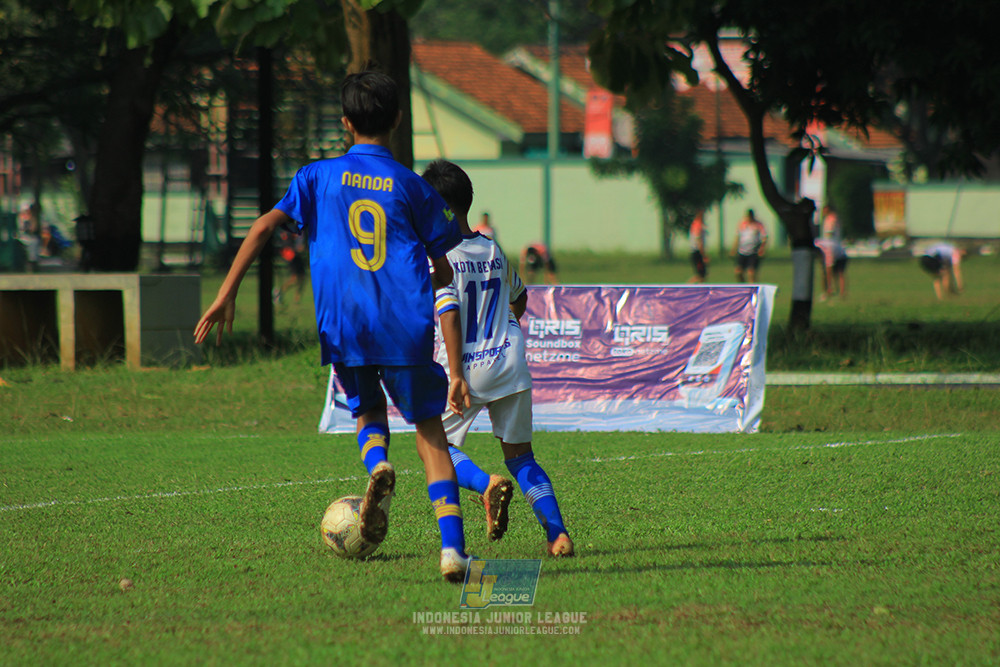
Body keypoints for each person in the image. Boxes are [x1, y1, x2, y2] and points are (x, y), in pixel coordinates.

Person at [194, 69, 473, 582]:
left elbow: (261, 228)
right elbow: (443, 262)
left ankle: (376, 469)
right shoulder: (413, 186)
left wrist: (225, 293)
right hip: (403, 326)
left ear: (345, 123)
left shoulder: (315, 177)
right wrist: (435, 271)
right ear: (398, 120)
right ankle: (453, 550)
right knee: (430, 431)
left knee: (367, 413)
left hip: (343, 327)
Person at [422, 159, 574, 557]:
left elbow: (447, 312)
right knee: (522, 457)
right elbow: (520, 297)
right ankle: (557, 535)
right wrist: (500, 330)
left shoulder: (438, 258)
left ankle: (484, 484)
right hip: (510, 360)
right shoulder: (491, 247)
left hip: (466, 368)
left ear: (436, 209)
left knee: (437, 447)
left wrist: (456, 371)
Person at [732, 208, 768, 283]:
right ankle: (742, 286)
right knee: (738, 272)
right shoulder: (742, 224)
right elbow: (737, 237)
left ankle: (752, 289)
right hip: (742, 251)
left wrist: (762, 249)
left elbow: (764, 237)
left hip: (753, 251)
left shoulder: (758, 225)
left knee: (751, 272)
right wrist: (733, 249)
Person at [815, 235, 848, 300]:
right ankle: (827, 292)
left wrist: (829, 287)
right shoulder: (818, 244)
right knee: (825, 273)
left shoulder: (826, 250)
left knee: (840, 274)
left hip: (841, 256)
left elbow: (828, 271)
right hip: (834, 251)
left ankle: (842, 294)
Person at [687, 209, 709, 283]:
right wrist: (703, 255)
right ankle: (686, 288)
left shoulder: (695, 224)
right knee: (700, 275)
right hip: (697, 252)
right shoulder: (698, 225)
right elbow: (699, 241)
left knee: (702, 276)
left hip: (695, 251)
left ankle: (699, 291)